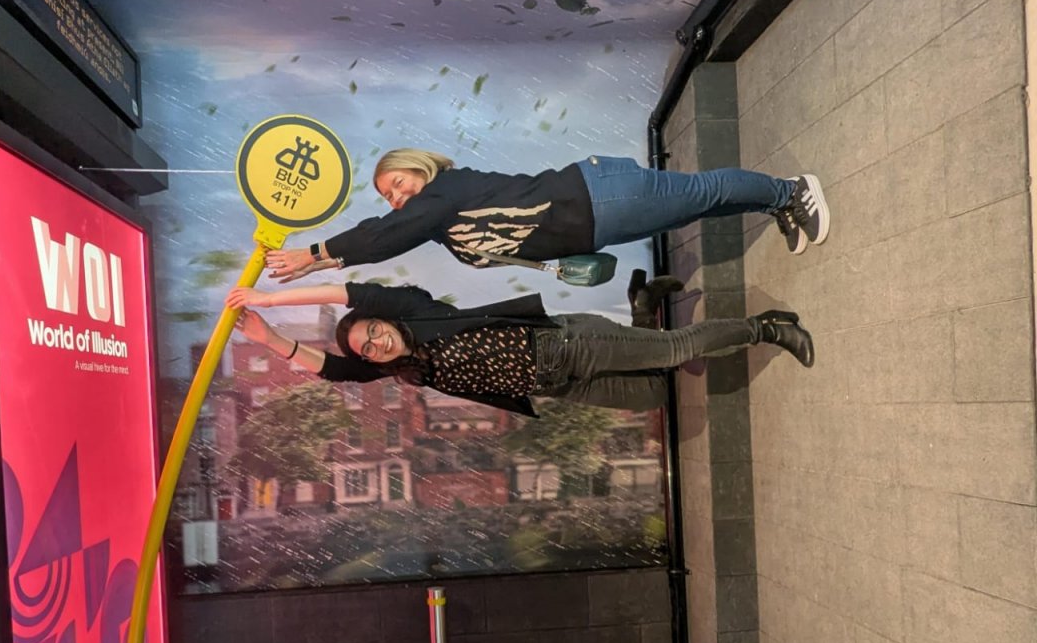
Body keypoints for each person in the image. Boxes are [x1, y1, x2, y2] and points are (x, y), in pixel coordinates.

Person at [224, 281, 813, 417]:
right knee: (655, 393)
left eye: (370, 331)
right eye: (367, 349)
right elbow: (336, 372)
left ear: (382, 318)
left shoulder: (417, 310)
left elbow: (355, 289)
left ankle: (767, 327)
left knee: (674, 348)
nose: (373, 345)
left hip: (566, 344)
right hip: (554, 382)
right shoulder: (410, 366)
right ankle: (643, 304)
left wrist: (273, 304)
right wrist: (270, 342)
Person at [264, 148, 830, 283]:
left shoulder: (444, 191)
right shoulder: (440, 226)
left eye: (397, 183)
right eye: (387, 195)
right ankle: (772, 203)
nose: (396, 198)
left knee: (701, 192)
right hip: (597, 219)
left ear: (418, 169)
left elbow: (385, 235)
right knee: (696, 207)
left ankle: (791, 191)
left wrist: (316, 257)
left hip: (594, 195)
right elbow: (396, 232)